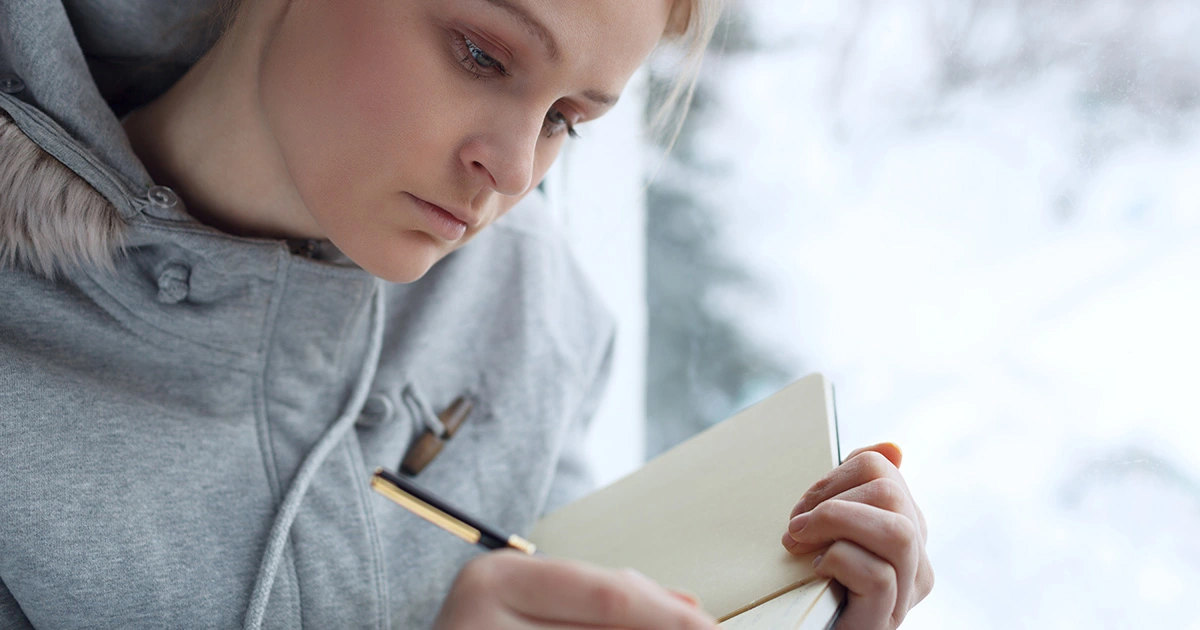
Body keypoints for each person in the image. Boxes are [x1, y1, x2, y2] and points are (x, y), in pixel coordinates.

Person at [0, 0, 933, 628]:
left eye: (568, 117)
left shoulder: (537, 307)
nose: (518, 171)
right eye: (483, 55)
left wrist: (792, 608)